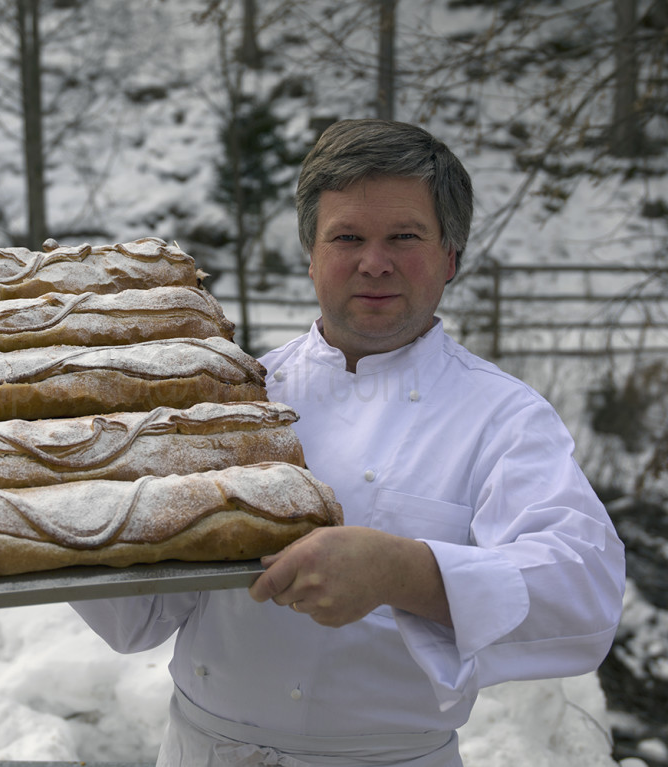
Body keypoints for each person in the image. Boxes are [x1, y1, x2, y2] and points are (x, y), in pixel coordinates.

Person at [70, 119, 626, 767]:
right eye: (348, 237)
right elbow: (137, 621)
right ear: (311, 257)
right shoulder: (230, 399)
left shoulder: (504, 416)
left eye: (404, 236)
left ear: (451, 256)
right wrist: (78, 495)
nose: (374, 261)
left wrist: (406, 571)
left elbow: (582, 591)